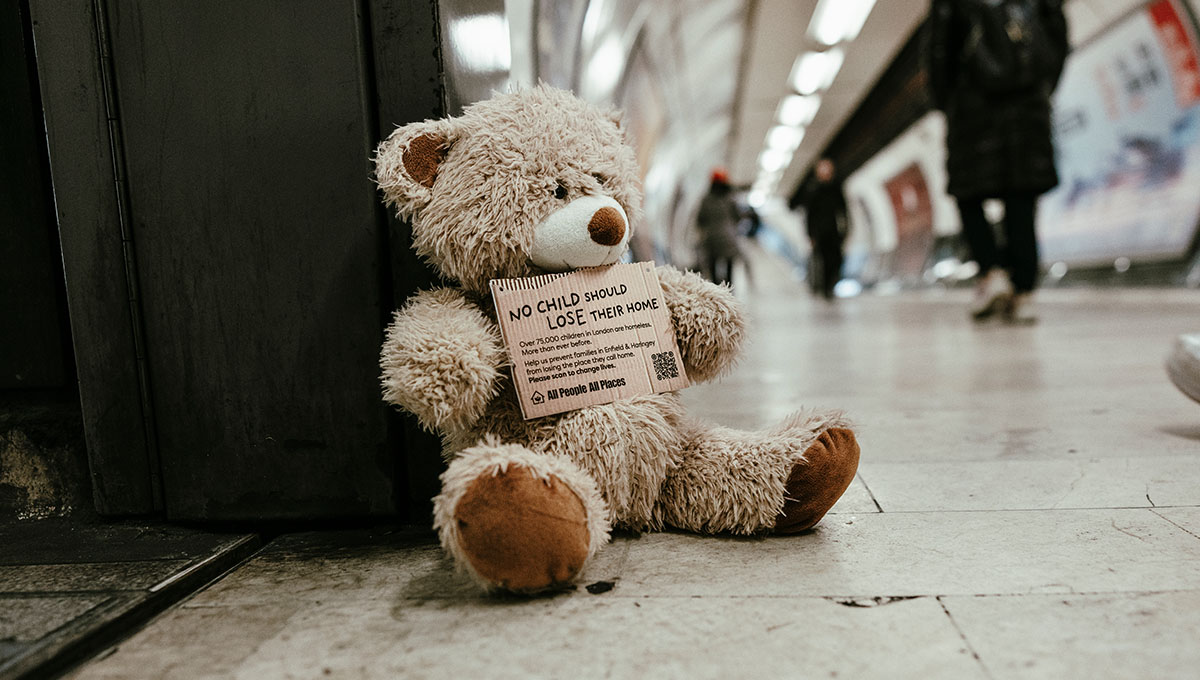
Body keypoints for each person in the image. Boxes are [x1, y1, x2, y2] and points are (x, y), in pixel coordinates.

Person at [928, 0, 1068, 323]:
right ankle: (1023, 291)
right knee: (1021, 198)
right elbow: (1057, 36)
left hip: (971, 105)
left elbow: (939, 49)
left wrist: (945, 101)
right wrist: (1041, 88)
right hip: (1027, 105)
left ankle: (992, 273)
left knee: (968, 195)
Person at [793, 158, 848, 301]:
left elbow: (843, 210)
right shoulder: (813, 189)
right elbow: (809, 215)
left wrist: (846, 228)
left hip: (834, 230)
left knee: (836, 259)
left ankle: (831, 285)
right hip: (819, 232)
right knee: (822, 260)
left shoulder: (836, 188)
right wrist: (810, 234)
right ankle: (825, 288)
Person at [695, 168, 742, 286]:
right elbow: (738, 216)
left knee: (713, 268)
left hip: (712, 240)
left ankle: (717, 292)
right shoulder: (731, 197)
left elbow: (700, 219)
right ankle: (730, 293)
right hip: (729, 238)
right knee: (729, 269)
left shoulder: (706, 199)